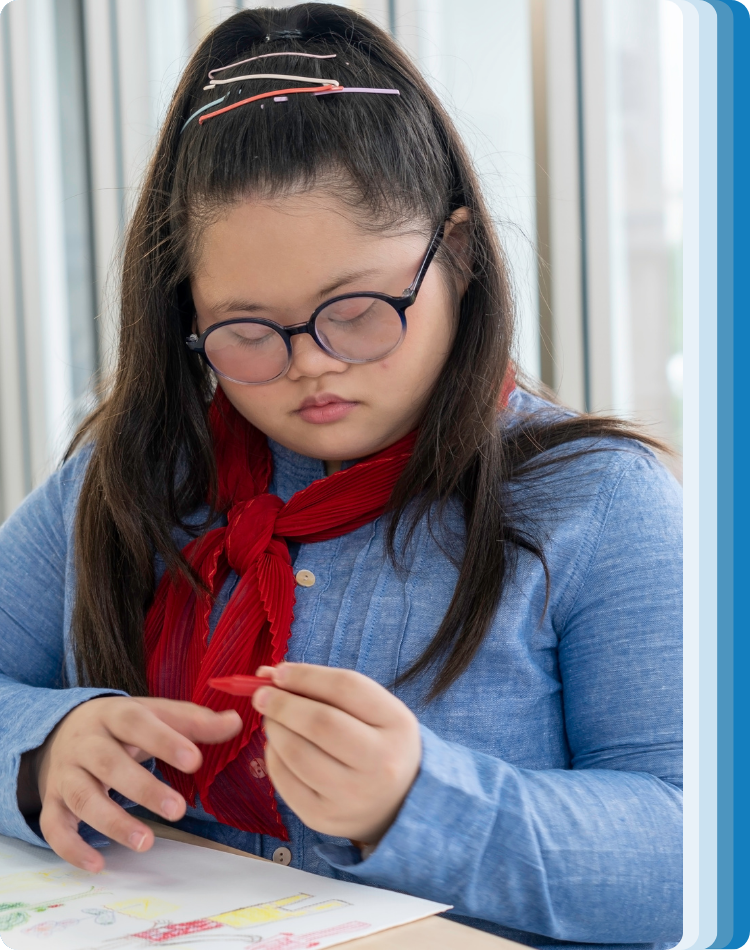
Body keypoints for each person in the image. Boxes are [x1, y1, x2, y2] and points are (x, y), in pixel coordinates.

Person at [0, 5, 682, 949]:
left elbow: (693, 849)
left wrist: (422, 803)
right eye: (247, 331)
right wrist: (41, 751)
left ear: (462, 253)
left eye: (357, 311)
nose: (312, 364)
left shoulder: (600, 498)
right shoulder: (131, 477)